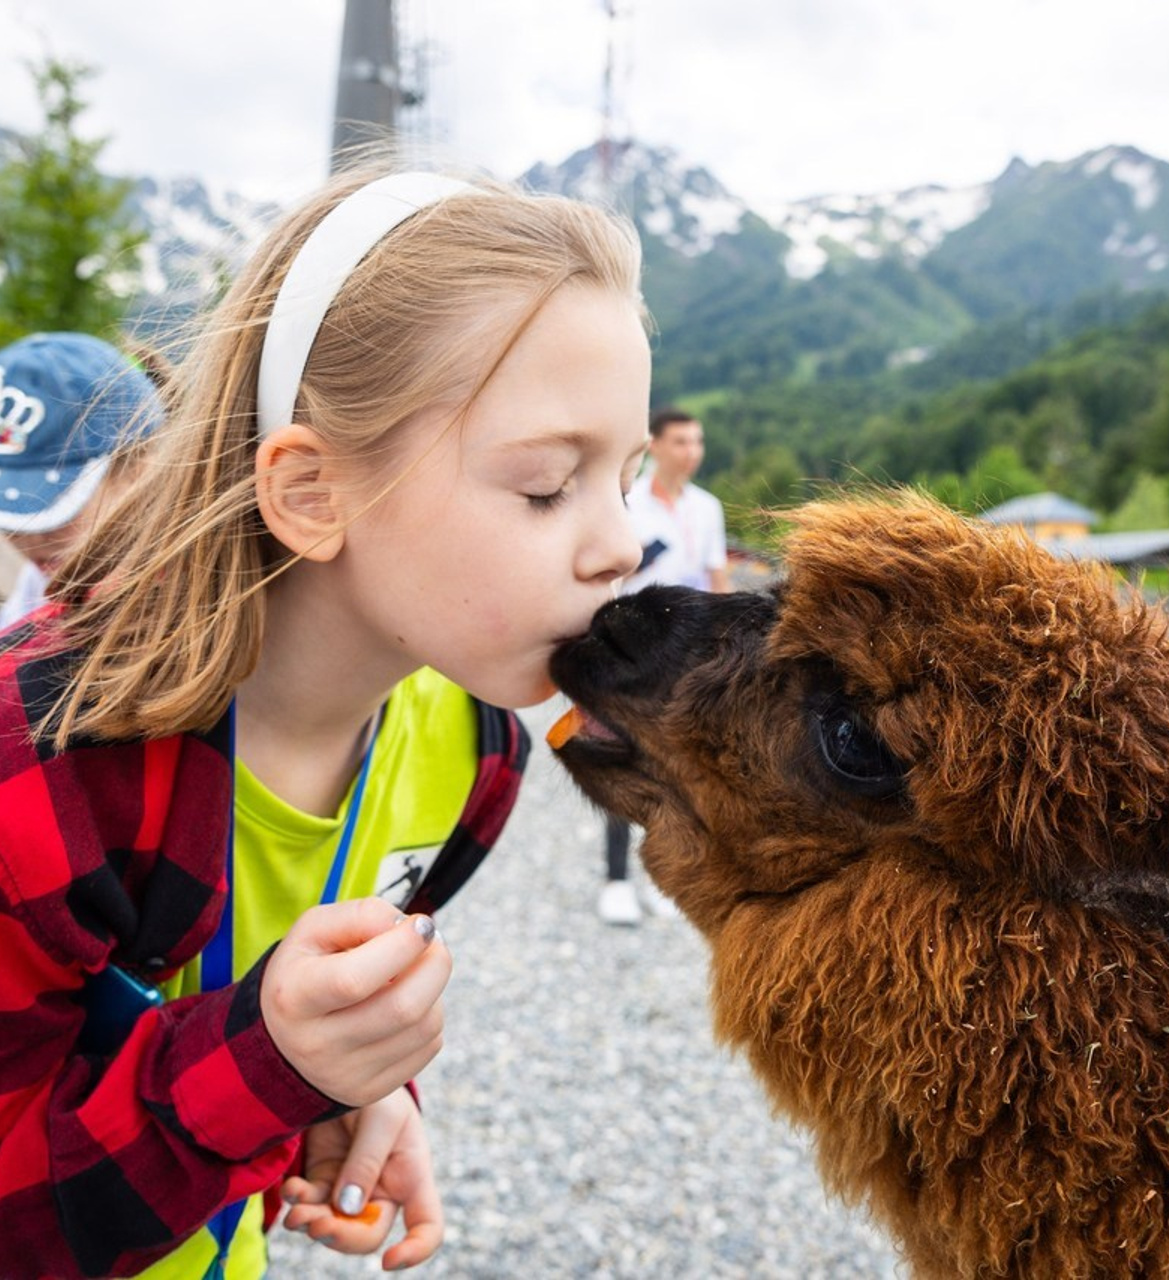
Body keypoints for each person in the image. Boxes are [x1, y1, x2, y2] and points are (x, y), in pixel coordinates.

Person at [0, 166, 651, 1279]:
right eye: (546, 487)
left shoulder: (474, 752)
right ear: (310, 493)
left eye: (625, 478)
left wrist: (343, 1085)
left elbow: (262, 996)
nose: (621, 546)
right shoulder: (45, 767)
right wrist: (266, 1062)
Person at [598, 406, 730, 925]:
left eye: (697, 442)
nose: (692, 452)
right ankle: (614, 879)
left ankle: (659, 876)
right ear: (654, 445)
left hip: (689, 652)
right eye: (681, 442)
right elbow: (608, 579)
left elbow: (717, 579)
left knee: (672, 765)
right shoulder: (626, 507)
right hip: (633, 648)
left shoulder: (708, 507)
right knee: (618, 759)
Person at [0, 332, 164, 628]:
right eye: (8, 519)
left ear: (142, 473)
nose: (29, 538)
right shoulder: (37, 583)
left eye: (49, 506)